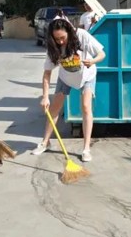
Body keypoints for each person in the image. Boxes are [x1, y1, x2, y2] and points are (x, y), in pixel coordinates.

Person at [31, 18, 105, 162]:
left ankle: (86, 149)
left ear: (69, 33)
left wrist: (93, 61)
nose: (60, 42)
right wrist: (45, 96)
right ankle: (45, 142)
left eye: (63, 38)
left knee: (85, 107)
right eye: (56, 39)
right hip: (65, 78)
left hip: (86, 76)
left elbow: (102, 54)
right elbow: (47, 74)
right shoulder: (53, 47)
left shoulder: (82, 35)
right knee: (54, 108)